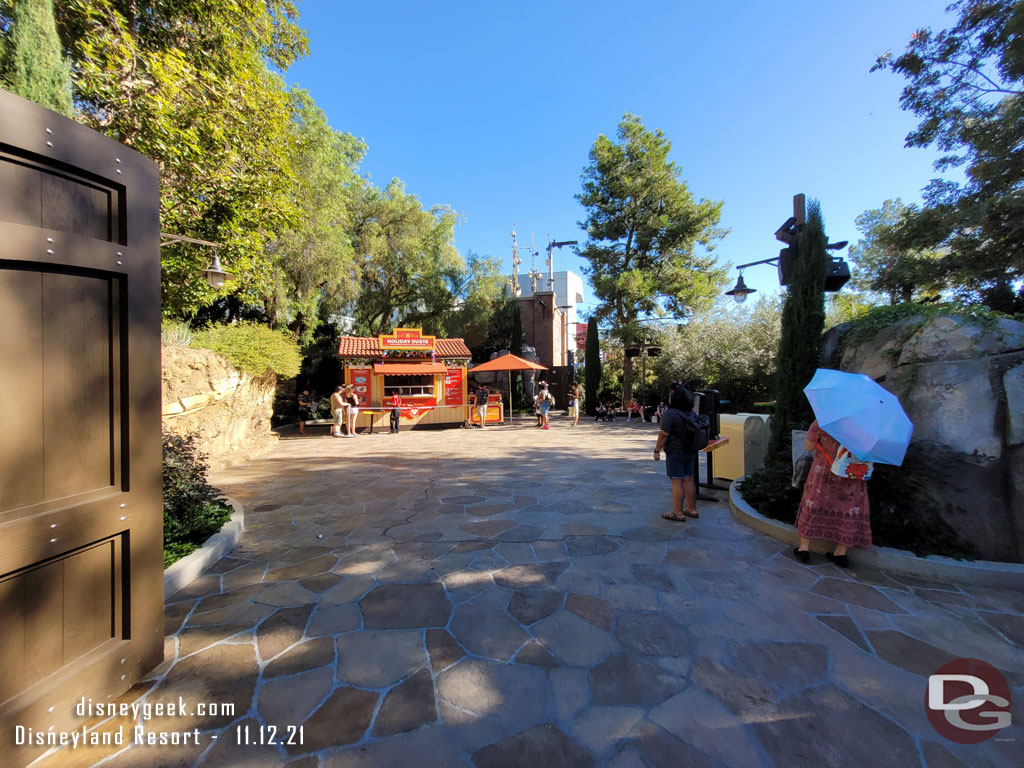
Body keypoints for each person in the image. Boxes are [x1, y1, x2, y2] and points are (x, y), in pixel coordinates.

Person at [792, 420, 872, 568]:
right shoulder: (866, 426)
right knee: (849, 508)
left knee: (813, 502)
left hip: (823, 472)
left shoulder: (823, 421)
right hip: (852, 474)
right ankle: (840, 552)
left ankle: (804, 548)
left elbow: (808, 447)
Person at [653, 387, 708, 522]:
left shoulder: (670, 414)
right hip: (690, 450)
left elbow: (664, 434)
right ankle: (691, 509)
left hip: (675, 451)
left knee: (676, 481)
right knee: (688, 479)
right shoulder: (691, 413)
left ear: (675, 399)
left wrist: (657, 451)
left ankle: (678, 513)